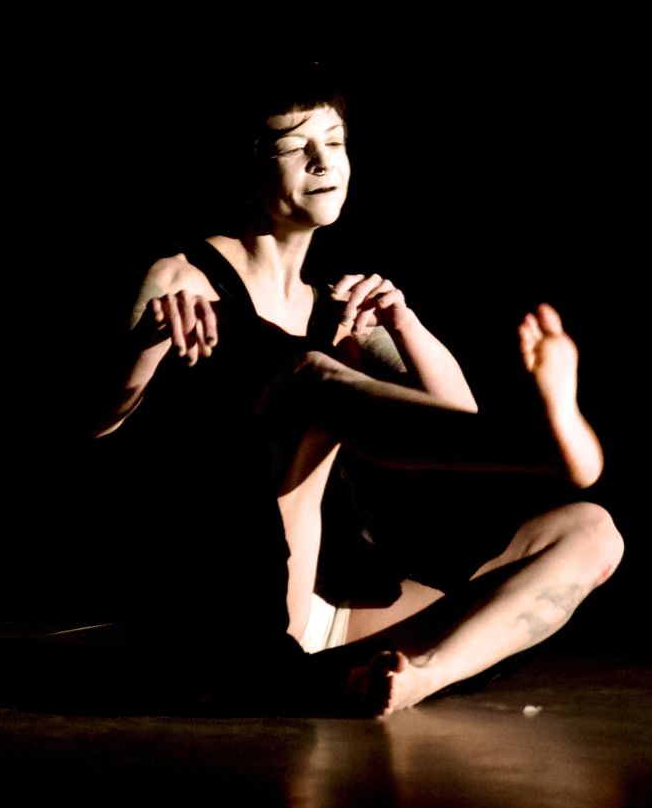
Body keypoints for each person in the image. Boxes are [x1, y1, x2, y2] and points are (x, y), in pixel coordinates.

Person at [94, 65, 622, 716]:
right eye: (296, 146)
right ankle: (540, 449)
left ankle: (417, 677)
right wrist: (146, 343)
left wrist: (406, 325)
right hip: (223, 620)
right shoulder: (185, 277)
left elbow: (456, 418)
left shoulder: (334, 304)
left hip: (328, 618)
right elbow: (93, 421)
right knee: (307, 381)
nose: (323, 161)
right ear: (248, 166)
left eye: (335, 142)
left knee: (591, 532)